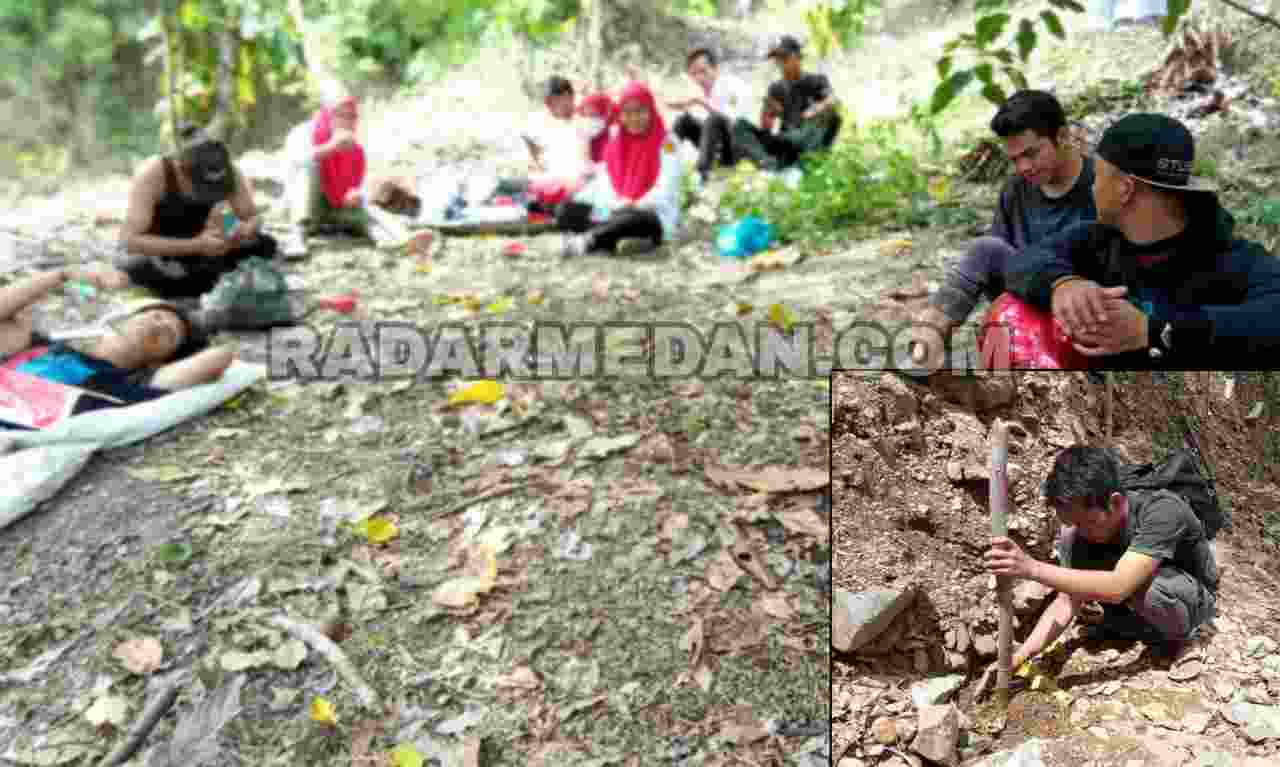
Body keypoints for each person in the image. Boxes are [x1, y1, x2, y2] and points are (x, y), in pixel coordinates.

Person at [1003, 112, 1280, 368]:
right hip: (1100, 406)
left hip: (1196, 410)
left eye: (1098, 176)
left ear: (1124, 189)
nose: (1092, 186)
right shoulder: (1095, 240)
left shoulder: (1232, 259)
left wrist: (1152, 331)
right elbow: (1022, 261)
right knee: (1010, 314)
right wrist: (1063, 284)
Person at [983, 446, 1217, 679]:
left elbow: (1118, 587)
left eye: (1087, 523)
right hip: (1136, 607)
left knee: (1146, 589)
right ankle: (1140, 628)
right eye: (1072, 523)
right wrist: (1017, 658)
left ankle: (1189, 638)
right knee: (1097, 596)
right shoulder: (1076, 532)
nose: (1081, 532)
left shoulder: (1162, 510)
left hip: (1187, 599)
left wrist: (1031, 568)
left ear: (1114, 502)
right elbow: (1065, 602)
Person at [906, 90, 1098, 368]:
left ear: (1063, 136)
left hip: (1083, 305)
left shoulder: (1103, 186)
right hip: (1028, 303)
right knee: (986, 250)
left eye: (1031, 153)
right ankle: (923, 353)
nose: (1024, 167)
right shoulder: (1016, 190)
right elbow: (998, 268)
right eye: (1014, 159)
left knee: (989, 250)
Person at [0, 267, 235, 424]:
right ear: (126, 316)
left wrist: (209, 328)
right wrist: (62, 275)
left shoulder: (121, 386)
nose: (160, 325)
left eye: (169, 335)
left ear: (159, 360)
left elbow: (219, 357)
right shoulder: (43, 347)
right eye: (156, 315)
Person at [116, 122, 278, 299]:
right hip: (165, 248)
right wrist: (195, 245)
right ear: (179, 168)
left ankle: (203, 280)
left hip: (208, 246)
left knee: (264, 245)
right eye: (200, 184)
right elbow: (129, 240)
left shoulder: (227, 170)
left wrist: (241, 230)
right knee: (138, 266)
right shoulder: (153, 175)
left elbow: (251, 216)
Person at [282, 81, 411, 255]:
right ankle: (297, 236)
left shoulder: (355, 150)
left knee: (366, 210)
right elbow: (298, 163)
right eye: (340, 115)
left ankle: (392, 240)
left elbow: (356, 187)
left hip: (335, 210)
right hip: (306, 210)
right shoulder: (304, 133)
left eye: (351, 117)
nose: (346, 122)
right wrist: (330, 148)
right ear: (328, 115)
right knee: (309, 166)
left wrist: (355, 194)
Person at [558, 81, 684, 258]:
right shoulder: (616, 143)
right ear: (620, 114)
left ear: (650, 110)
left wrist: (634, 203)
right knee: (566, 211)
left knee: (635, 219)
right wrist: (580, 199)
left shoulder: (668, 143)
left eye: (640, 110)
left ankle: (587, 242)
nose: (633, 118)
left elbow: (665, 191)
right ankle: (618, 238)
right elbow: (605, 183)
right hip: (615, 210)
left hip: (650, 214)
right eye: (627, 112)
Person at [732, 35, 841, 172]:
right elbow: (767, 127)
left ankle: (807, 161)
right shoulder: (775, 88)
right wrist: (768, 112)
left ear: (797, 57)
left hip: (809, 138)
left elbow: (833, 100)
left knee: (831, 117)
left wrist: (815, 110)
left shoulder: (816, 80)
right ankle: (767, 163)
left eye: (784, 58)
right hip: (786, 142)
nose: (780, 64)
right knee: (739, 125)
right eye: (777, 60)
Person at [667, 47, 751, 182]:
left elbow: (732, 121)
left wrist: (700, 101)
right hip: (718, 147)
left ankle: (702, 176)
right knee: (683, 120)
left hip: (737, 149)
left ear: (716, 69)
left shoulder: (734, 85)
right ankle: (665, 165)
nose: (699, 78)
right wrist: (683, 106)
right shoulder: (707, 93)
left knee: (714, 119)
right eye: (694, 74)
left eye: (703, 71)